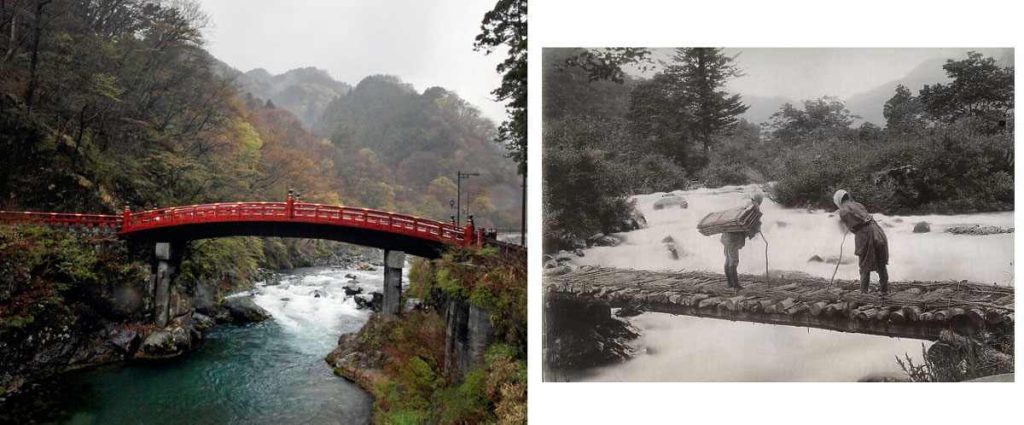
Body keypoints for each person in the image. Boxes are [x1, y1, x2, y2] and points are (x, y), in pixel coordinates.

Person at [833, 189, 889, 294]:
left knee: (864, 264)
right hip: (877, 230)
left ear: (838, 201)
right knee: (881, 262)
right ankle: (884, 291)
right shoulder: (858, 204)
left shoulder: (843, 211)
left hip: (865, 235)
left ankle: (863, 293)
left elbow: (851, 227)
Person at [720, 192, 763, 289]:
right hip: (733, 239)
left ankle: (730, 283)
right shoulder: (753, 208)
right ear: (759, 200)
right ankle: (735, 285)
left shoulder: (742, 204)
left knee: (728, 260)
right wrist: (757, 229)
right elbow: (750, 224)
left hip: (726, 234)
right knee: (733, 261)